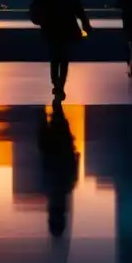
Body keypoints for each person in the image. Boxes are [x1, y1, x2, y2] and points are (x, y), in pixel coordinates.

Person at [29, 0, 92, 101]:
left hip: (50, 24)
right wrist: (85, 22)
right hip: (67, 24)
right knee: (64, 58)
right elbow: (77, 5)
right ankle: (60, 85)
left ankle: (55, 82)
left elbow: (38, 0)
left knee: (54, 56)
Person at [37, 100, 79, 238]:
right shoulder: (52, 187)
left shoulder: (66, 186)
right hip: (55, 149)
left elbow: (72, 167)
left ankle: (55, 101)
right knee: (56, 117)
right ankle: (54, 100)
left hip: (58, 149)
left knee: (57, 117)